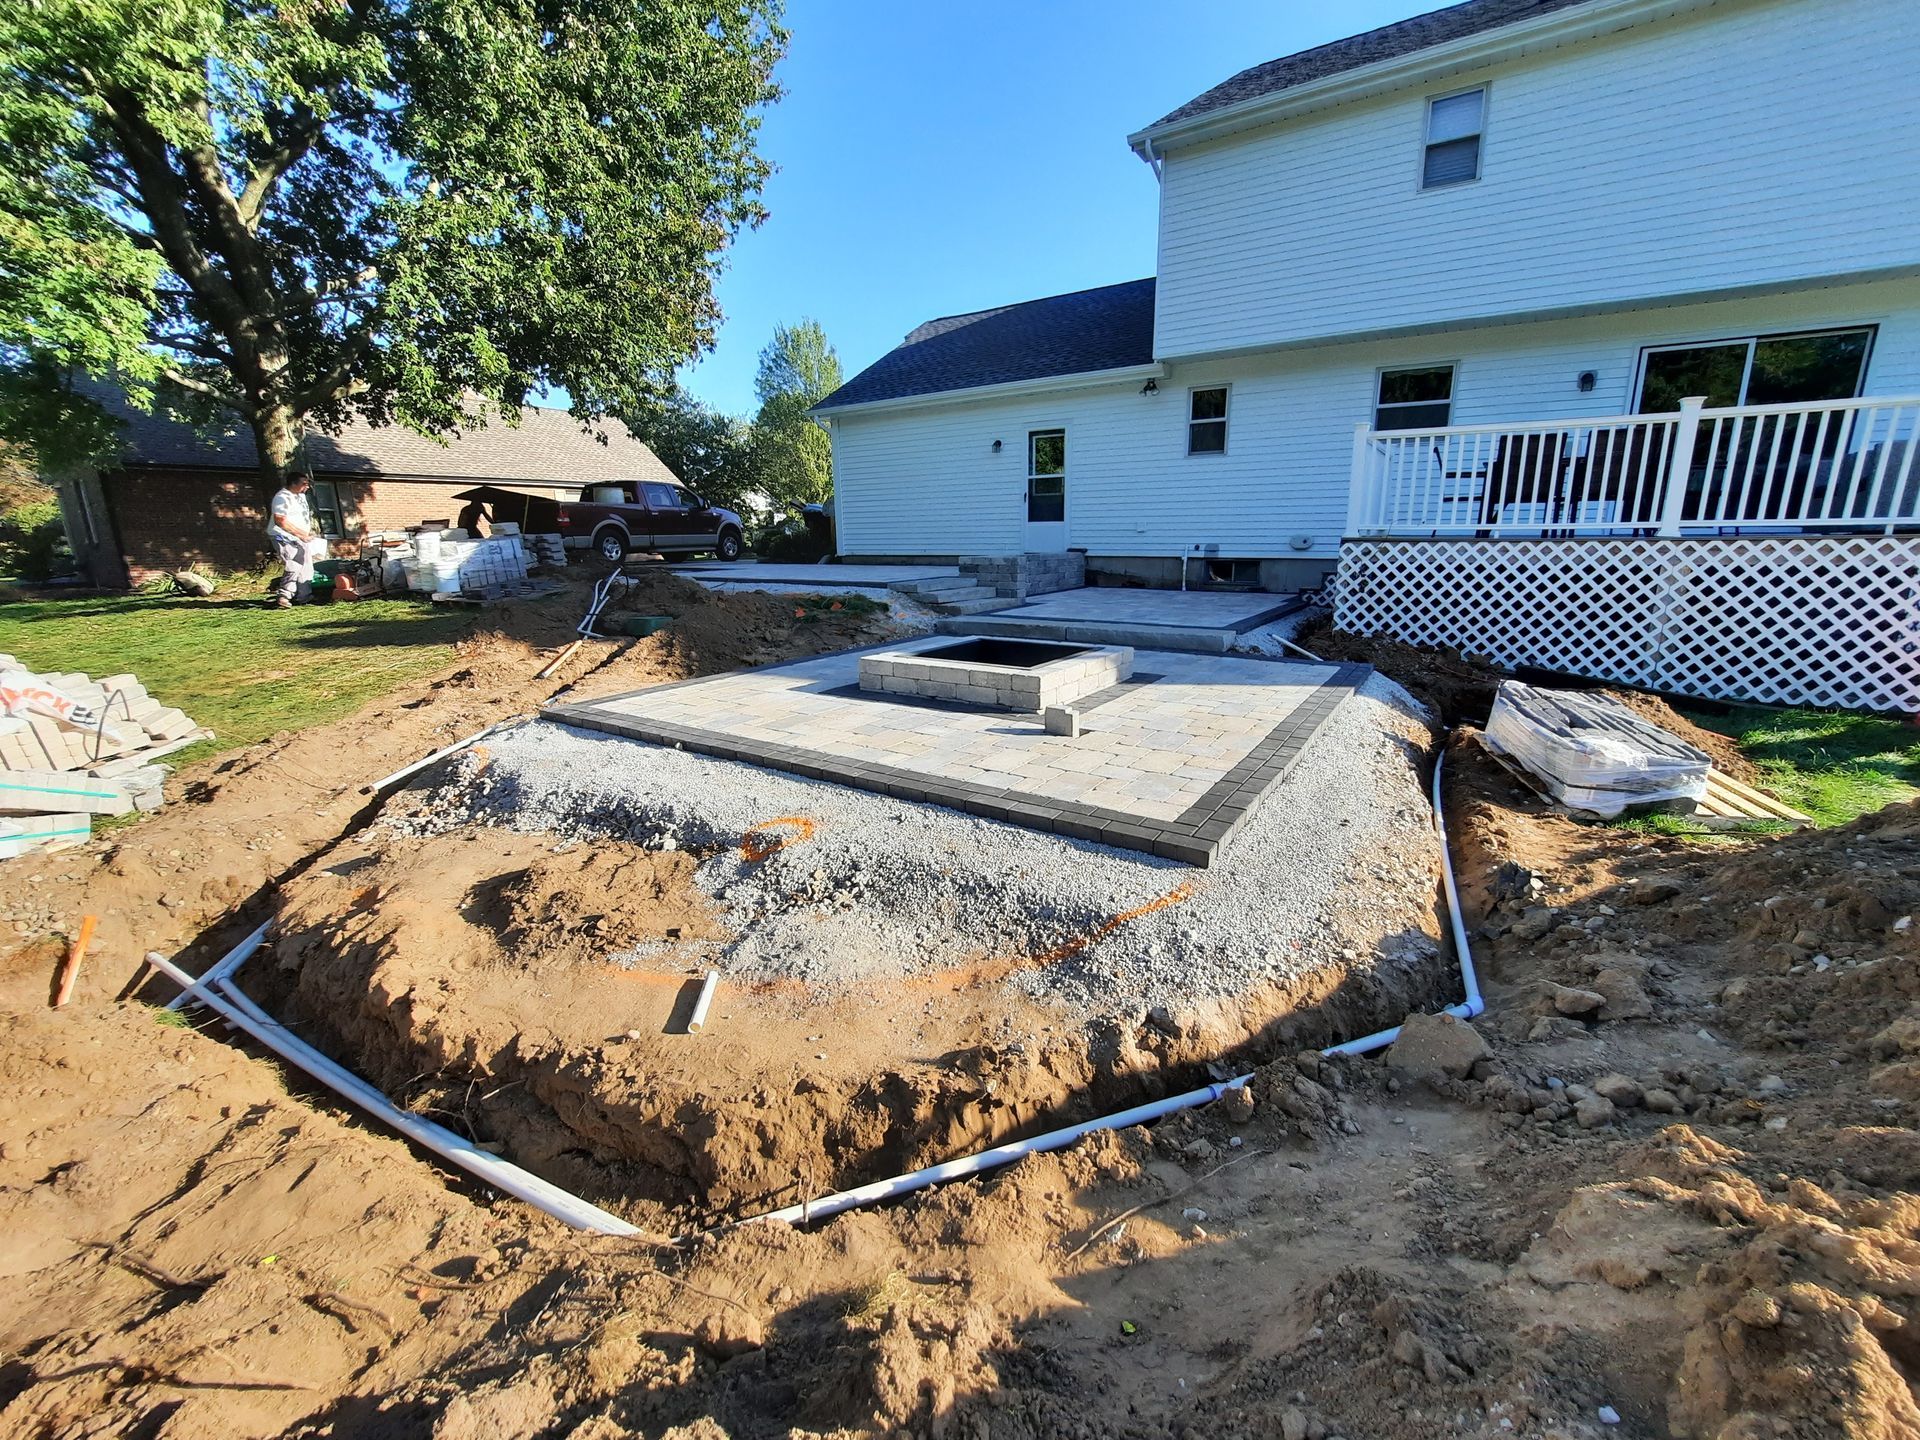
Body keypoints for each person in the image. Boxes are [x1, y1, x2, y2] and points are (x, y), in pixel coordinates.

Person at [267, 474, 318, 608]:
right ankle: (284, 596)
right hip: (284, 537)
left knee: (306, 565)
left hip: (300, 537)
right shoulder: (282, 497)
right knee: (293, 564)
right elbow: (280, 520)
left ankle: (304, 596)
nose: (307, 486)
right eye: (304, 484)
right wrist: (301, 534)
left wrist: (306, 533)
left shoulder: (301, 497)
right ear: (293, 484)